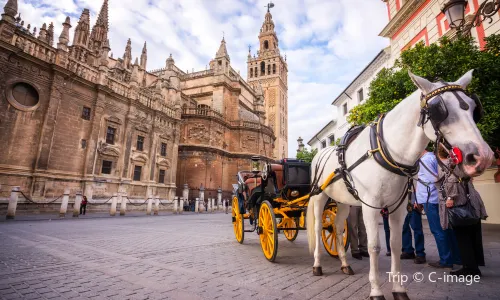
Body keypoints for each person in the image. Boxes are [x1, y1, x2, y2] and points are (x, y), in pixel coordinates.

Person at [437, 145, 488, 276]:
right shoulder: (464, 162)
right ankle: (472, 266)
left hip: (460, 203)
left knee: (463, 236)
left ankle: (470, 268)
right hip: (471, 201)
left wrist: (450, 197)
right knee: (472, 235)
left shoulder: (449, 163)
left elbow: (451, 180)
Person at [418, 147, 461, 269]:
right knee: (446, 228)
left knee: (438, 230)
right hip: (436, 198)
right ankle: (456, 257)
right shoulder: (433, 157)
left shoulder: (424, 160)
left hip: (430, 198)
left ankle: (446, 259)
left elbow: (434, 178)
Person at [400, 191, 426, 264]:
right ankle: (408, 250)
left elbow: (418, 186)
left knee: (417, 229)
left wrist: (418, 201)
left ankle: (420, 254)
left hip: (414, 204)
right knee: (404, 228)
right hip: (402, 205)